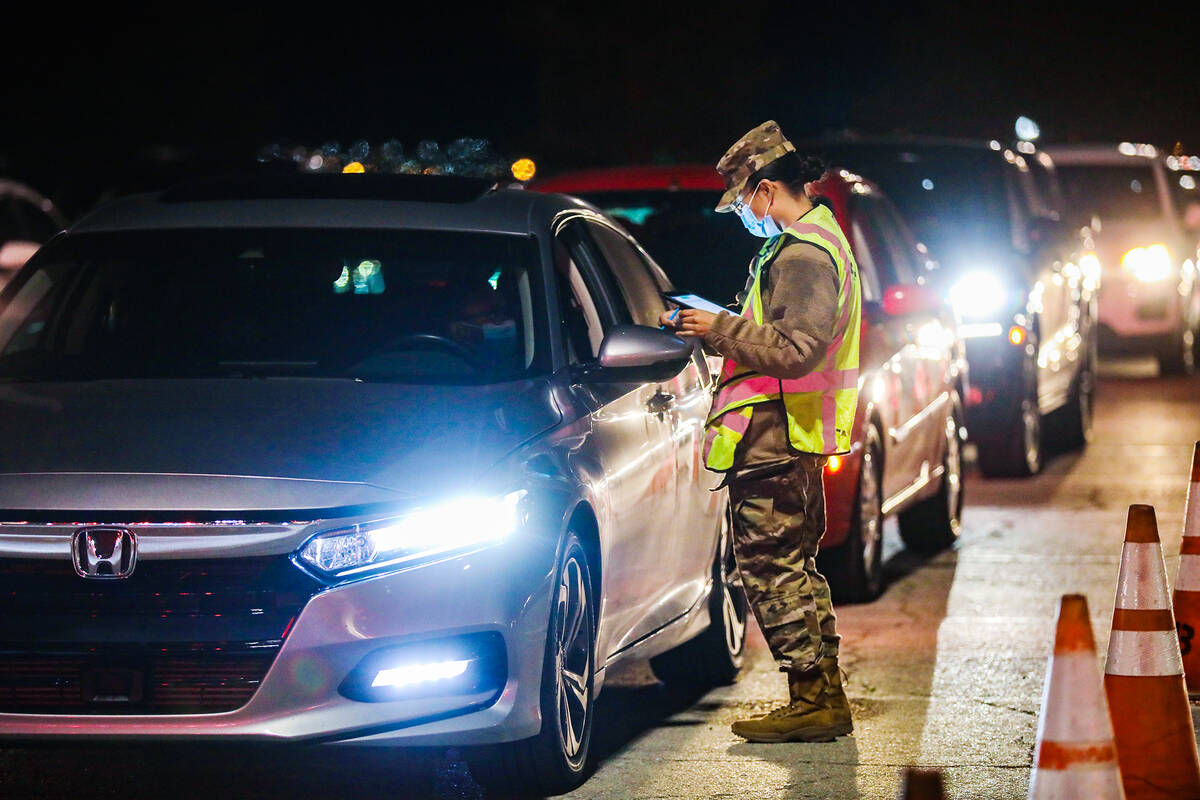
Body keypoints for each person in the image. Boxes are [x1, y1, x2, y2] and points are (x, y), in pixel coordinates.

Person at [660, 121, 861, 743]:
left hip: (775, 436)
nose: (745, 214)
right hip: (789, 434)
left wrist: (716, 327)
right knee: (795, 564)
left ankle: (812, 700)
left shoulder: (803, 254)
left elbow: (796, 350)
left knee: (770, 564)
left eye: (745, 201)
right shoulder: (815, 241)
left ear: (767, 189)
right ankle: (822, 694)